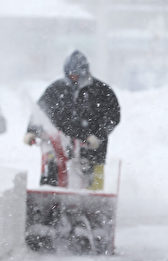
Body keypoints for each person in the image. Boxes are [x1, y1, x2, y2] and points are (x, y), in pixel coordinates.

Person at [24, 50, 120, 190]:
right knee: (52, 168)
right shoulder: (56, 89)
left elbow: (113, 117)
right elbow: (41, 111)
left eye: (76, 74)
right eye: (70, 74)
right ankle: (51, 200)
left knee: (92, 184)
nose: (73, 78)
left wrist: (98, 136)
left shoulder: (101, 91)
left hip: (93, 151)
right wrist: (32, 131)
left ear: (85, 72)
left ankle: (92, 206)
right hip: (62, 144)